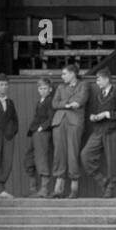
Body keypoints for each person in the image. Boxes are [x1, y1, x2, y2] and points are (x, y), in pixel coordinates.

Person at [79, 66, 116, 198]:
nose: (97, 82)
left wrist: (106, 114)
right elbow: (94, 111)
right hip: (98, 131)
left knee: (112, 161)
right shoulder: (98, 95)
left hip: (112, 131)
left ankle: (110, 188)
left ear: (106, 79)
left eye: (99, 80)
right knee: (85, 155)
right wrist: (93, 116)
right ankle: (102, 180)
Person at [50, 63, 89, 198]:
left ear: (73, 74)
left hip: (74, 122)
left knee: (73, 152)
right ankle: (58, 188)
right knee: (58, 152)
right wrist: (68, 104)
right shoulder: (61, 87)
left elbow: (80, 100)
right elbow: (54, 103)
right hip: (59, 121)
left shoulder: (83, 85)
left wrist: (65, 103)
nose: (62, 76)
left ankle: (74, 187)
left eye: (65, 74)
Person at [25, 77, 54, 198]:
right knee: (29, 159)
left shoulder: (50, 101)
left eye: (45, 88)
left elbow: (51, 117)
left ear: (50, 89)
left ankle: (44, 189)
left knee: (41, 159)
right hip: (35, 132)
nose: (42, 90)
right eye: (40, 88)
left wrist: (42, 128)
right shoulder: (40, 101)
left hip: (42, 132)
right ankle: (33, 189)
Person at [0, 73, 17, 198]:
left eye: (6, 84)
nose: (4, 87)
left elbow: (15, 120)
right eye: (1, 84)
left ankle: (0, 188)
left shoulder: (10, 102)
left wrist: (11, 131)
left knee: (7, 162)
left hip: (7, 137)